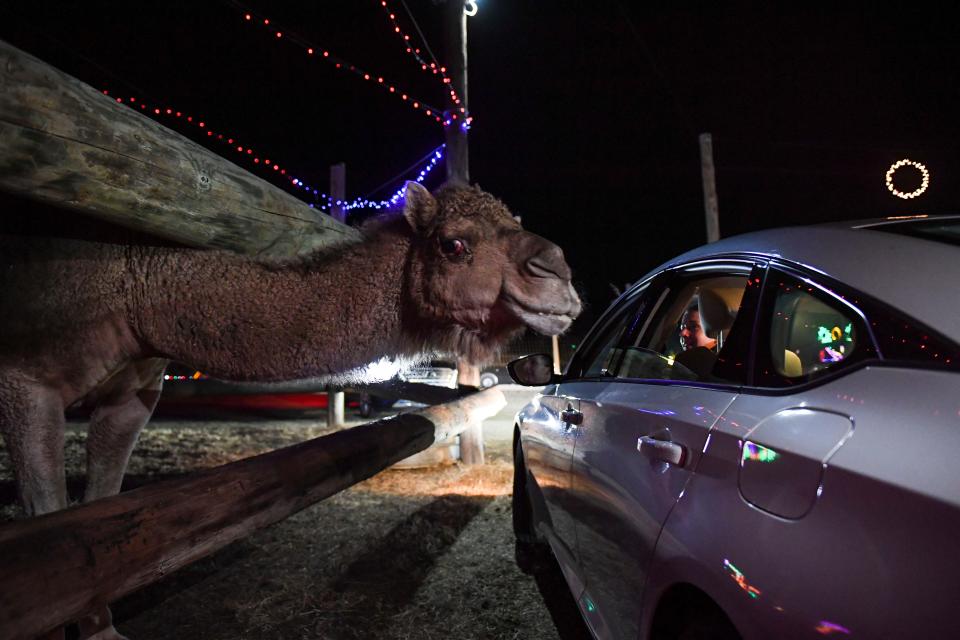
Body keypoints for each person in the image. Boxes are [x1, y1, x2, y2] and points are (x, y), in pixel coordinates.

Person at [673, 301, 718, 379]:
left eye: (693, 326)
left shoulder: (688, 362)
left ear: (715, 332)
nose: (682, 333)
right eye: (682, 327)